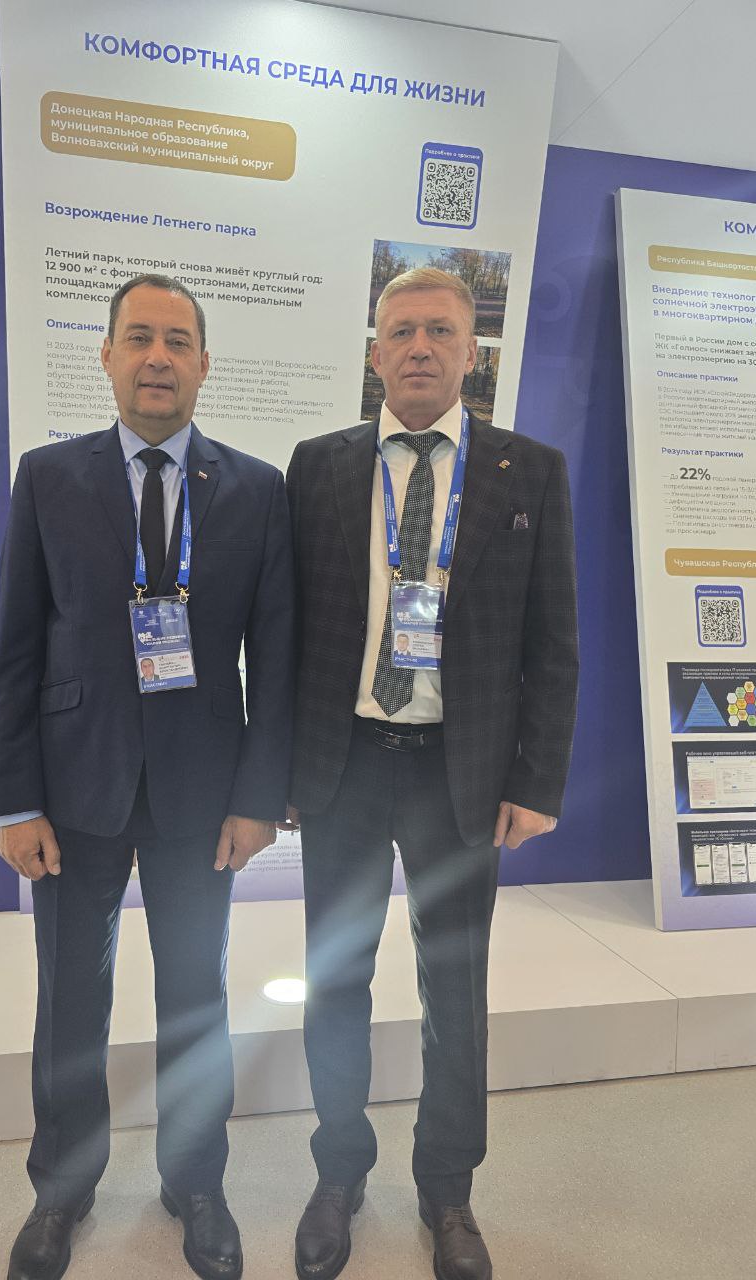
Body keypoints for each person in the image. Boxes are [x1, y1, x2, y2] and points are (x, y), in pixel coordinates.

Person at [0, 273, 294, 1280]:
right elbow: (16, 650)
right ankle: (61, 1190)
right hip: (73, 787)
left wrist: (258, 797)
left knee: (196, 996)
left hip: (203, 793)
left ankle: (195, 1182)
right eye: (139, 337)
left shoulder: (256, 489)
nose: (158, 357)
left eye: (177, 340)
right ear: (108, 355)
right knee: (69, 1000)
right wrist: (15, 799)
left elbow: (275, 658)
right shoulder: (48, 477)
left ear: (205, 363)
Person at [284, 267, 578, 1280]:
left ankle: (448, 1188)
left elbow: (555, 641)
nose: (419, 346)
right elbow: (286, 631)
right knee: (336, 979)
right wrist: (282, 768)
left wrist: (537, 779)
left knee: (456, 989)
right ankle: (339, 1170)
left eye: (440, 331)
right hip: (345, 765)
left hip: (463, 771)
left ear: (471, 352)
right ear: (375, 353)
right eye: (401, 330)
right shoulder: (319, 465)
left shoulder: (528, 471)